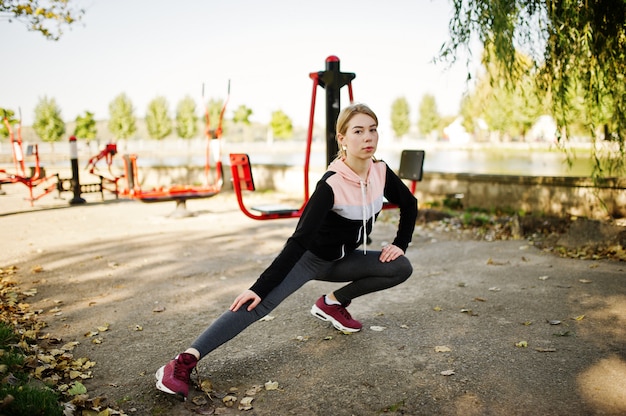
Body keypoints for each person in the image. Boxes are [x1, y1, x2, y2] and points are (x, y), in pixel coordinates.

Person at [155, 103, 418, 399]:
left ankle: (331, 303)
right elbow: (299, 240)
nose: (368, 137)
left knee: (401, 267)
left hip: (341, 260)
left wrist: (400, 243)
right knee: (257, 304)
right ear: (342, 138)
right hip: (308, 260)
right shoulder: (330, 185)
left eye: (372, 130)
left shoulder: (380, 172)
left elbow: (409, 204)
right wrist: (260, 286)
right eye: (358, 131)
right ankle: (182, 362)